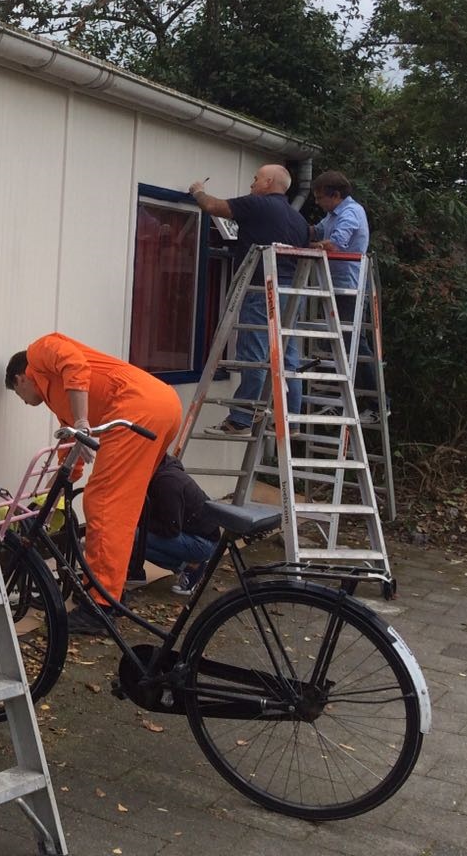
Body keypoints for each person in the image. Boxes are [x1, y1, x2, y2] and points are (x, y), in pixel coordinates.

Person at [5, 334, 182, 631]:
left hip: (136, 408)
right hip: (161, 405)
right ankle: (115, 584)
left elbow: (73, 363)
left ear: (20, 378)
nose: (23, 402)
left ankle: (99, 606)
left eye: (17, 393)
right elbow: (71, 455)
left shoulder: (40, 351)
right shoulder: (61, 400)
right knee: (124, 503)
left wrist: (82, 420)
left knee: (103, 503)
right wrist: (49, 498)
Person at [188, 164, 310, 434]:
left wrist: (198, 192)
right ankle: (290, 421)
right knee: (288, 357)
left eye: (256, 179)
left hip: (261, 290)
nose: (252, 184)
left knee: (253, 355)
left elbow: (214, 207)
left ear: (268, 182)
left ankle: (241, 419)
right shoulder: (298, 220)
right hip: (292, 292)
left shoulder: (258, 205)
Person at [309, 170, 377, 411]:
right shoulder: (332, 214)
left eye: (319, 198)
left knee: (352, 343)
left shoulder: (350, 213)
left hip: (348, 286)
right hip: (334, 283)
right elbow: (317, 231)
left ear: (335, 195)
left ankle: (376, 403)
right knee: (337, 340)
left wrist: (315, 246)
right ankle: (340, 386)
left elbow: (335, 244)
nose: (317, 203)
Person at [138, 454, 220, 598]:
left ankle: (192, 567)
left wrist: (140, 521)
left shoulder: (167, 483)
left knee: (133, 535)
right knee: (134, 534)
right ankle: (190, 565)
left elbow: (170, 529)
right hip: (196, 533)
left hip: (201, 543)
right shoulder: (163, 469)